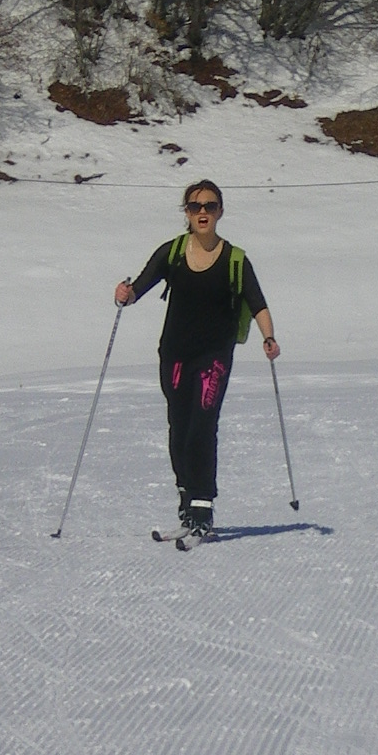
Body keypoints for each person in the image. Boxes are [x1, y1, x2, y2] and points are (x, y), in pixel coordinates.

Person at [115, 180, 279, 535]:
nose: (202, 212)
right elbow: (138, 288)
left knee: (202, 427)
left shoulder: (235, 260)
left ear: (220, 211)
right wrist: (125, 294)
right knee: (179, 428)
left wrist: (268, 337)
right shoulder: (172, 252)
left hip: (214, 357)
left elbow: (258, 303)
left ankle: (203, 508)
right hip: (174, 355)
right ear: (187, 212)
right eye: (195, 206)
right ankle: (187, 501)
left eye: (210, 205)